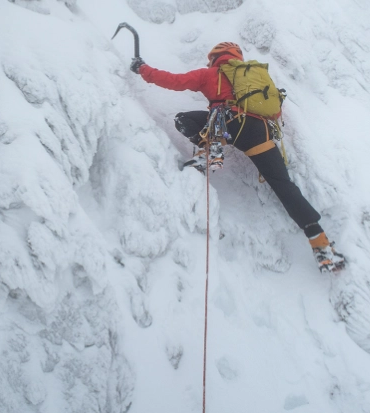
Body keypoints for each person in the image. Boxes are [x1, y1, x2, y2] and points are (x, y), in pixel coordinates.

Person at [130, 41, 346, 273]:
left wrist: (142, 69)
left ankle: (212, 151)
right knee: (284, 186)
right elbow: (275, 110)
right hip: (259, 133)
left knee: (184, 119)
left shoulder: (209, 74)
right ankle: (321, 245)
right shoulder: (253, 78)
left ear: (215, 57)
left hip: (228, 125)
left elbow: (174, 81)